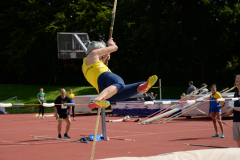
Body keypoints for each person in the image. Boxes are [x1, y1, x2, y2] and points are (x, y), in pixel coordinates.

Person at [82, 38, 158, 109]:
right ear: (94, 49)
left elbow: (96, 69)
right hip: (105, 77)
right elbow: (115, 48)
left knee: (134, 87)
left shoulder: (84, 66)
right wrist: (111, 44)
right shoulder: (93, 53)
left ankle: (142, 87)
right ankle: (97, 99)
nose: (102, 54)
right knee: (120, 83)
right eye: (102, 50)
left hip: (103, 90)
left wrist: (104, 58)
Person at [231, 74, 240, 147]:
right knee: (237, 141)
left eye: (239, 81)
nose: (238, 83)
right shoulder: (235, 94)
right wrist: (230, 110)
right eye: (237, 81)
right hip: (236, 120)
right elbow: (236, 107)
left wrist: (233, 109)